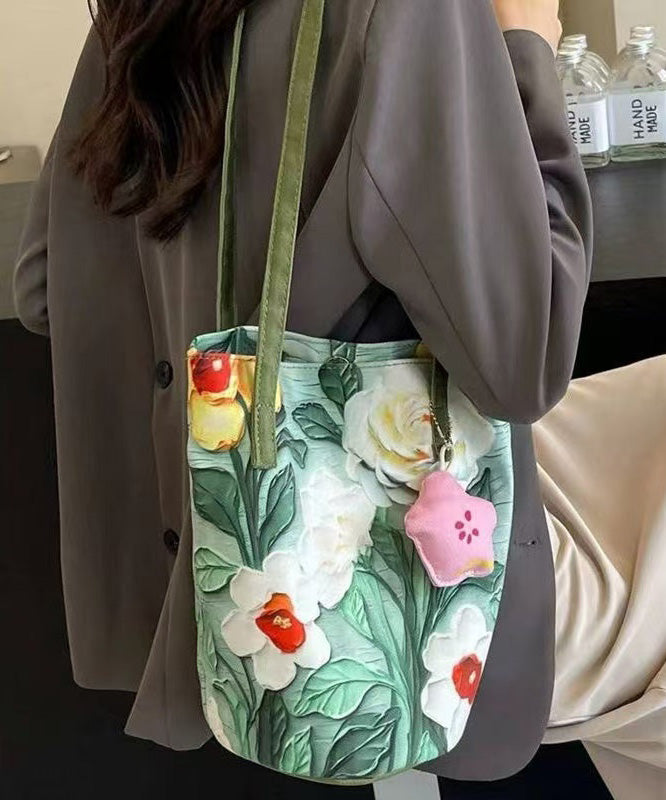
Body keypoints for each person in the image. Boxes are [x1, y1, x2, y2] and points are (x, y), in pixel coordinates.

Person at [13, 0, 664, 796]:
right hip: (395, 595)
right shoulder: (412, 13)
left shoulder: (134, 16)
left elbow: (43, 286)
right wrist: (528, 48)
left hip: (203, 590)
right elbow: (525, 361)